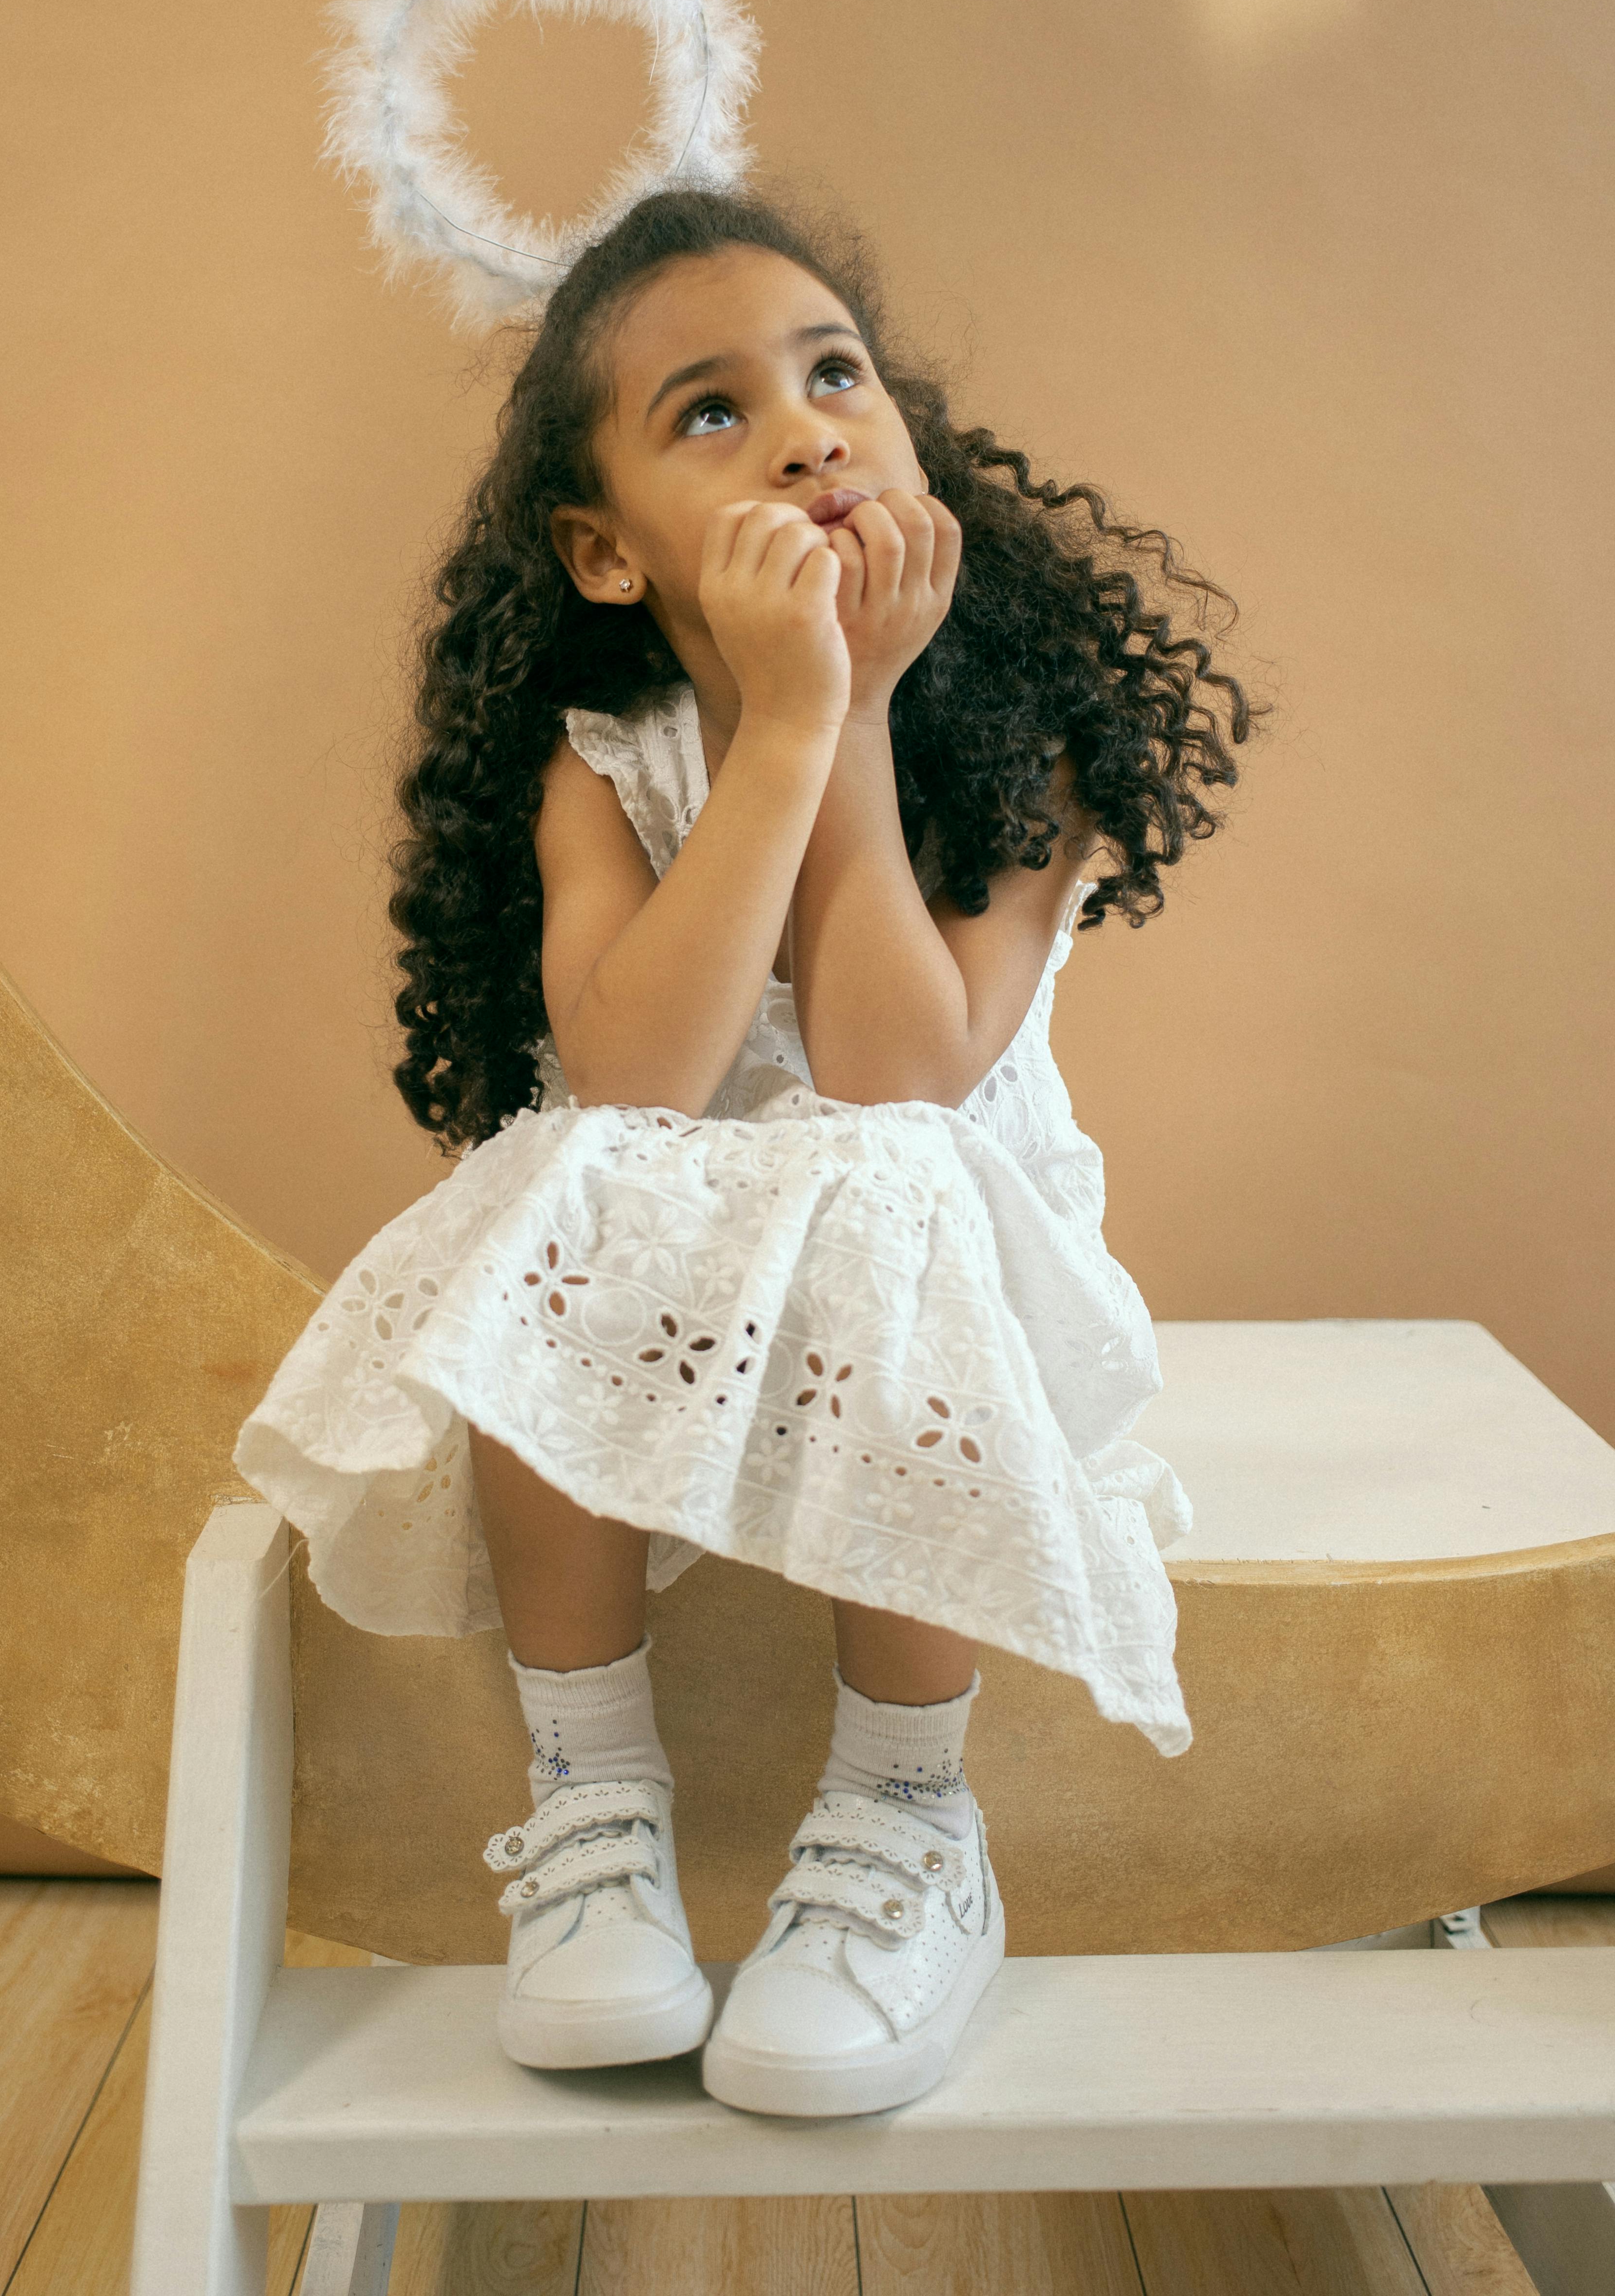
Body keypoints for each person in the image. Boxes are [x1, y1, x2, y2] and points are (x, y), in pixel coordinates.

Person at [234, 184, 1258, 2117]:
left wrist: (853, 714)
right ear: (607, 551)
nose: (804, 427)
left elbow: (895, 1082)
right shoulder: (604, 760)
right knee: (553, 1176)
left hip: (955, 1285)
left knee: (877, 1176)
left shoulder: (1023, 752)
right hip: (684, 1305)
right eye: (710, 410)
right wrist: (777, 735)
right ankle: (592, 1804)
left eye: (835, 376)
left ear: (909, 448)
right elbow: (630, 1080)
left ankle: (903, 1829)